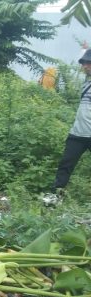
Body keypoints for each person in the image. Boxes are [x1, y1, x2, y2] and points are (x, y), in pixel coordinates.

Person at [47, 49, 91, 201]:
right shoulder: (87, 81)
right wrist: (84, 49)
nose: (85, 66)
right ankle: (55, 197)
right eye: (84, 64)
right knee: (65, 165)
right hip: (77, 134)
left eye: (89, 64)